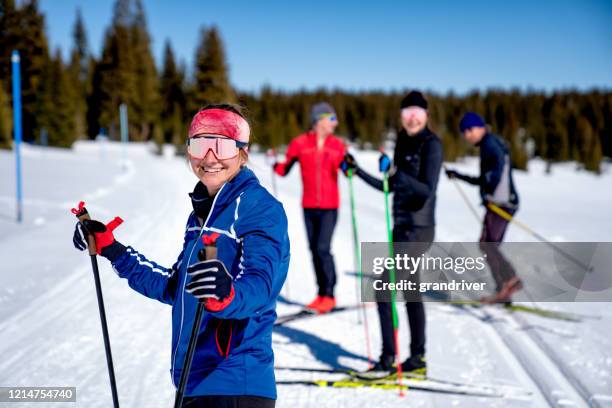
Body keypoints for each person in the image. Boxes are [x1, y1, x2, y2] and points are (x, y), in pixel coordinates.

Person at [73, 104, 289, 407]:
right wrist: (113, 250)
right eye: (200, 144)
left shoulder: (258, 206)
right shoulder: (201, 215)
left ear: (243, 151)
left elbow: (261, 285)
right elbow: (175, 287)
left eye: (222, 145)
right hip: (193, 382)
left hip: (236, 384)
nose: (209, 157)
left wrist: (226, 294)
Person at [342, 91, 443, 374]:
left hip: (419, 229)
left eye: (417, 113)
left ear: (425, 115)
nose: (411, 117)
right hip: (402, 228)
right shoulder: (402, 141)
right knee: (411, 292)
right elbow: (391, 187)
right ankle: (417, 358)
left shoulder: (431, 144)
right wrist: (357, 171)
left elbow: (426, 190)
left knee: (382, 287)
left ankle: (388, 359)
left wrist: (398, 175)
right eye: (406, 112)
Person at [272, 102, 346, 314]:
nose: (336, 123)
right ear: (319, 120)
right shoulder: (300, 144)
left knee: (323, 248)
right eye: (332, 119)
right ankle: (321, 294)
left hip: (330, 206)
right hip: (309, 205)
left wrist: (349, 167)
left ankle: (329, 294)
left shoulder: (338, 145)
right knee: (314, 250)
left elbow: (347, 168)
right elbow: (284, 170)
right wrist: (274, 164)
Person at [445, 112, 521, 302]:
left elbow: (497, 168)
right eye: (465, 132)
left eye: (470, 130)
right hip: (503, 201)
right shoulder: (490, 143)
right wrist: (460, 176)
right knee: (489, 244)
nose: (468, 135)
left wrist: (490, 191)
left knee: (487, 244)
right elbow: (484, 179)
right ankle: (505, 287)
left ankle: (509, 281)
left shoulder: (490, 144)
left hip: (501, 203)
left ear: (480, 127)